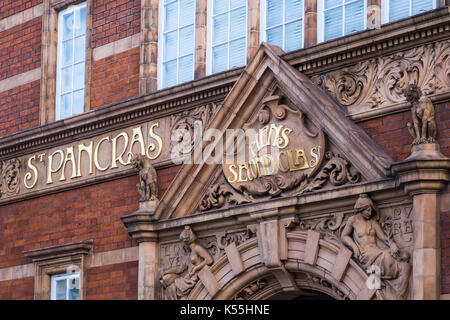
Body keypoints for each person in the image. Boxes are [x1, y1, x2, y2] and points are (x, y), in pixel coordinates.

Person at [342, 194, 410, 299]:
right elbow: (344, 236)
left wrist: (392, 244)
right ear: (360, 209)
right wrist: (354, 246)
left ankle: (394, 291)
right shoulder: (353, 220)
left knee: (404, 265)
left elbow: (383, 237)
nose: (370, 213)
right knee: (387, 255)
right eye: (367, 210)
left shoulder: (372, 222)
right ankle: (382, 282)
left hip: (376, 251)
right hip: (365, 254)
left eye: (371, 210)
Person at [160, 226, 214, 299]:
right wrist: (166, 272)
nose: (183, 243)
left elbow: (209, 260)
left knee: (172, 287)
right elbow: (180, 269)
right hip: (189, 276)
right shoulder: (190, 253)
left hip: (196, 277)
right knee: (167, 283)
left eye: (183, 240)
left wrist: (196, 268)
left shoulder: (197, 248)